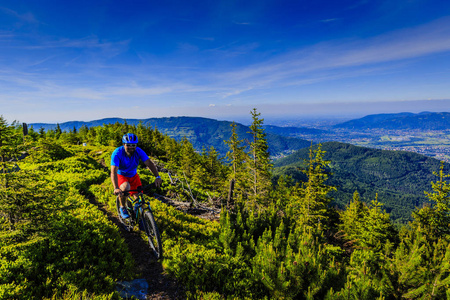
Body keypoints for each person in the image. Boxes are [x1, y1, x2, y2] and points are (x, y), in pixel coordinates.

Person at [111, 133, 162, 219]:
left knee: (139, 199)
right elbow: (113, 172)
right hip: (121, 175)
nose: (131, 147)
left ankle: (140, 217)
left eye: (133, 145)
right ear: (124, 144)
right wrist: (116, 187)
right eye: (128, 145)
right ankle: (122, 207)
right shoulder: (117, 153)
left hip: (133, 175)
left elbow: (149, 163)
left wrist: (157, 177)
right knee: (125, 188)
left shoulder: (138, 151)